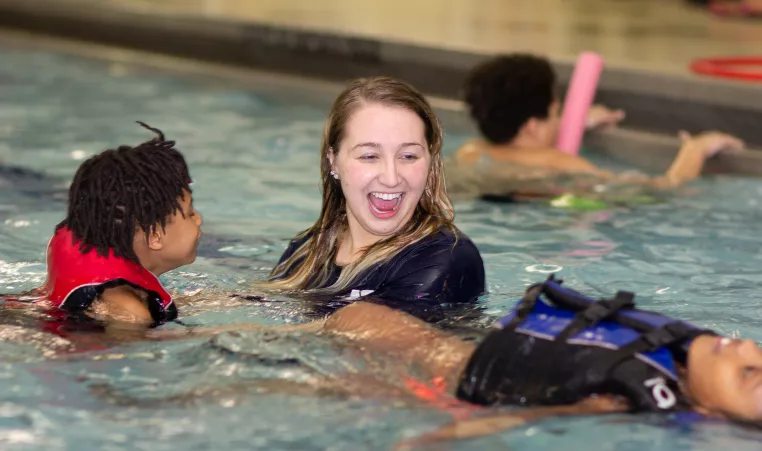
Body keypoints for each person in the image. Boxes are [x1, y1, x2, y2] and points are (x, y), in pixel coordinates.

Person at [263, 76, 486, 313]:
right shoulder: (307, 250)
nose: (391, 178)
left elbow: (378, 335)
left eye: (408, 156)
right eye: (369, 156)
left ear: (430, 161)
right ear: (334, 161)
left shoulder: (445, 258)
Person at [450, 53, 745, 200]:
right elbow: (663, 190)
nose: (559, 118)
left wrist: (573, 123)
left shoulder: (469, 152)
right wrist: (695, 149)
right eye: (555, 113)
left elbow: (522, 146)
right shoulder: (563, 164)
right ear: (530, 126)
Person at [11, 122, 203, 327]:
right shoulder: (129, 312)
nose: (198, 219)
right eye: (190, 213)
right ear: (155, 236)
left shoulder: (92, 243)